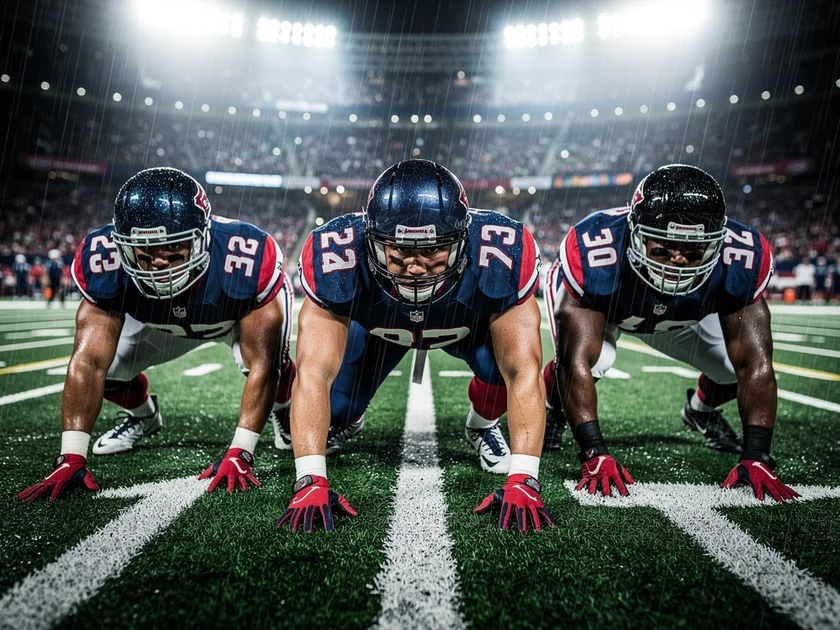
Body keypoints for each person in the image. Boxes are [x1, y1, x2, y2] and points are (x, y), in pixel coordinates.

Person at [277, 159, 555, 533]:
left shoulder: (500, 249)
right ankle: (349, 418)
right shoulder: (338, 253)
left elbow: (524, 369)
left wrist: (525, 478)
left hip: (464, 327)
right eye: (400, 251)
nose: (415, 267)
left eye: (432, 250)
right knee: (336, 409)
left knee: (502, 371)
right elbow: (313, 372)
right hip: (380, 330)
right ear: (370, 240)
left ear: (462, 238)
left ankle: (481, 427)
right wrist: (309, 479)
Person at [16, 167, 295, 502]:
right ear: (121, 243)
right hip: (158, 320)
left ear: (202, 236)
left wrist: (241, 452)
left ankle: (282, 410)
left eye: (173, 247)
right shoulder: (104, 257)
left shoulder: (245, 255)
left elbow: (264, 365)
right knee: (109, 372)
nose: (159, 263)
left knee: (271, 363)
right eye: (143, 251)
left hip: (231, 317)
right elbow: (89, 363)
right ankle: (144, 418)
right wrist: (71, 456)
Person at [543, 164, 798, 502]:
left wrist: (757, 456)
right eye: (661, 248)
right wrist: (594, 452)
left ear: (717, 242)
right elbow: (573, 362)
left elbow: (755, 364)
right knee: (594, 360)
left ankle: (699, 411)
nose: (676, 262)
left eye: (693, 252)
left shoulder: (742, 256)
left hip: (681, 308)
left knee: (728, 365)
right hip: (609, 305)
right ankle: (555, 411)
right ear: (635, 233)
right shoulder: (597, 251)